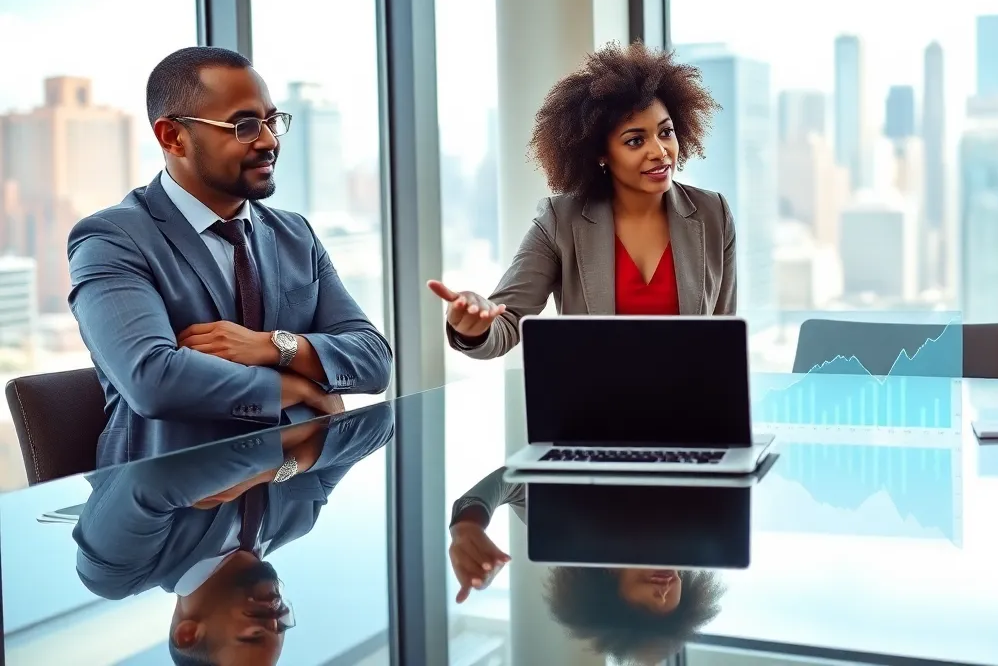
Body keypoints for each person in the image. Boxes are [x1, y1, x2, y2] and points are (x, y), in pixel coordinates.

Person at [68, 47, 393, 465]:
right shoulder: (112, 238)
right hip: (166, 504)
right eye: (244, 125)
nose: (269, 140)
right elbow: (154, 380)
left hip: (284, 499)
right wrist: (301, 389)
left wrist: (276, 347)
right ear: (172, 136)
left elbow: (373, 359)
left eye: (272, 121)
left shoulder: (296, 234)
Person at [428, 42, 734, 360]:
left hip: (689, 404)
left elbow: (725, 338)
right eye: (635, 140)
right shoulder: (560, 220)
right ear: (601, 154)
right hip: (595, 405)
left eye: (666, 132)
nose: (659, 151)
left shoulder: (714, 214)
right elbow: (505, 321)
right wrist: (473, 327)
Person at [73, 407, 394, 665]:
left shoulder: (118, 573)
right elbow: (378, 422)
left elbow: (154, 476)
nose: (275, 615)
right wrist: (278, 468)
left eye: (254, 633)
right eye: (282, 626)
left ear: (189, 634)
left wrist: (298, 430)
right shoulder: (297, 519)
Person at [450, 467, 725, 663]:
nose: (664, 593)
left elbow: (509, 481)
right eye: (674, 580)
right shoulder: (691, 522)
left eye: (645, 605)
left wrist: (468, 524)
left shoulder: (570, 525)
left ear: (607, 574)